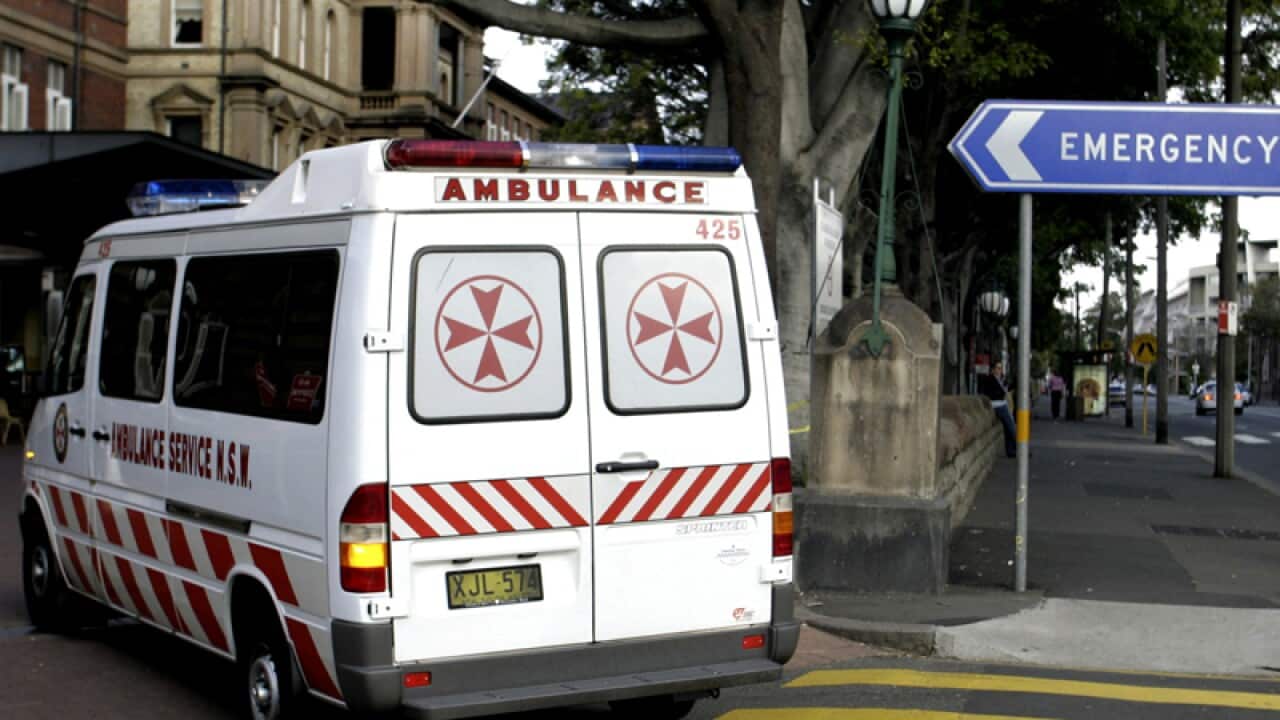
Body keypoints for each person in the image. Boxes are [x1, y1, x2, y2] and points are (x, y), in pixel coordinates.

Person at [979, 362, 1016, 458]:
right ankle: (1021, 448)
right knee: (1011, 427)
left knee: (1008, 428)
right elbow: (991, 393)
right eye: (998, 368)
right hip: (997, 405)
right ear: (993, 369)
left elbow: (1005, 390)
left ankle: (1010, 451)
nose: (1000, 370)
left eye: (1001, 368)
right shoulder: (989, 379)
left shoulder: (1000, 379)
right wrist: (1001, 393)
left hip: (1002, 404)